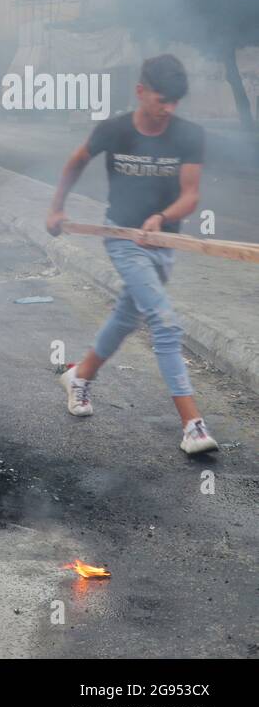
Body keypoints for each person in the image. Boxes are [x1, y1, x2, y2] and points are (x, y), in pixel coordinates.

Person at [46, 54, 218, 454]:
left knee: (128, 314)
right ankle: (192, 424)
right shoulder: (114, 130)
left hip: (163, 242)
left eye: (175, 102)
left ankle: (79, 376)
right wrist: (56, 207)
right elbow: (75, 163)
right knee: (164, 321)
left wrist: (161, 217)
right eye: (162, 99)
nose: (169, 109)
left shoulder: (188, 134)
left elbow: (191, 194)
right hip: (122, 238)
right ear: (141, 91)